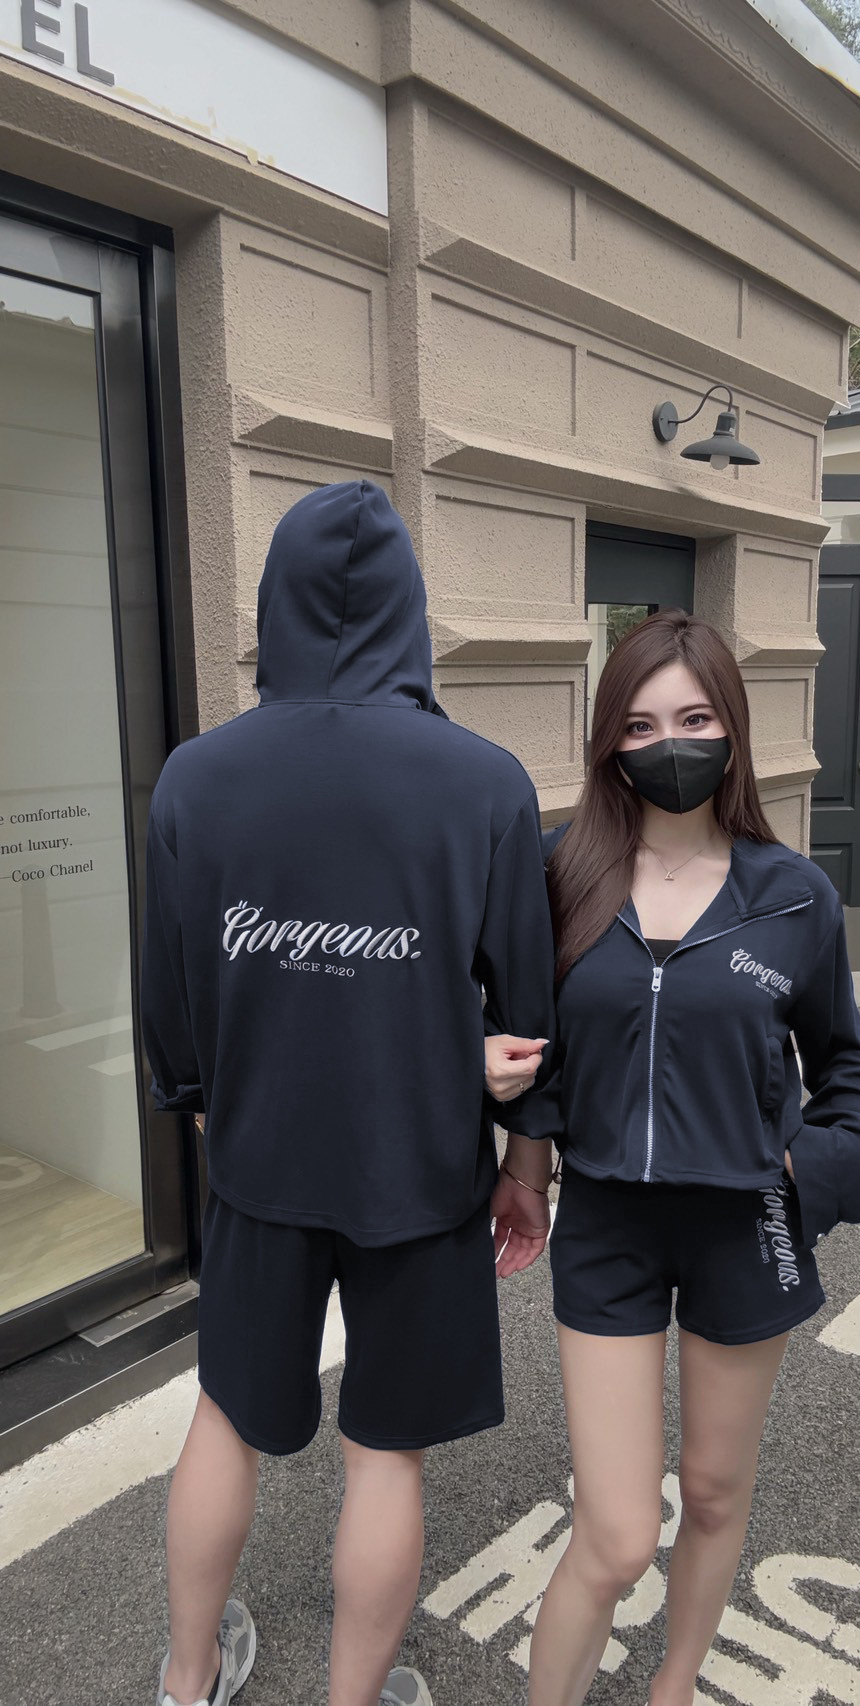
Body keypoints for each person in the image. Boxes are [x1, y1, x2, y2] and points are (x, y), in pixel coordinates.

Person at [141, 480, 555, 1706]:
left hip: (261, 1158)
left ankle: (186, 1678)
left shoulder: (196, 778)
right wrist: (525, 1164)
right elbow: (526, 1014)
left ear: (274, 604)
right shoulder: (484, 783)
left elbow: (171, 997)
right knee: (386, 1450)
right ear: (409, 613)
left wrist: (215, 1111)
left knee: (226, 1414)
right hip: (419, 1164)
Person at [492, 609, 860, 1706]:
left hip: (746, 1224)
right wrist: (518, 1145)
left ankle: (675, 1685)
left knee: (713, 1491)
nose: (669, 743)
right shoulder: (558, 875)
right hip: (609, 1224)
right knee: (618, 1533)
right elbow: (517, 1027)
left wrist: (816, 1169)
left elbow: (849, 1059)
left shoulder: (792, 893)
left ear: (733, 730)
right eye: (639, 723)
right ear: (608, 741)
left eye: (695, 718)